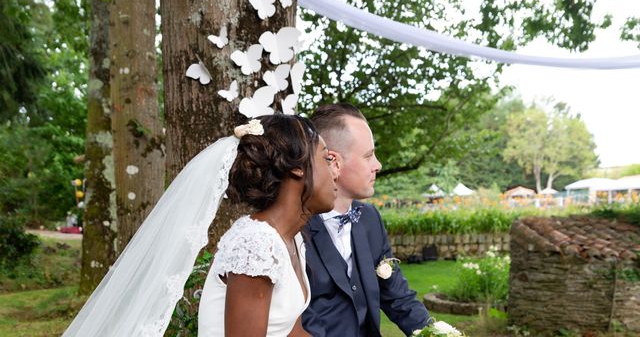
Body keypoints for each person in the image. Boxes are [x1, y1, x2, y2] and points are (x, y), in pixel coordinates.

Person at [63, 114, 337, 337]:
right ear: (297, 167)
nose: (336, 171)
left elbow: (292, 331)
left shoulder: (291, 240)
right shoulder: (256, 244)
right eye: (327, 158)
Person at [302, 103, 432, 337]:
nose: (378, 165)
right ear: (332, 161)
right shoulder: (295, 227)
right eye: (369, 155)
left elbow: (398, 297)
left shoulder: (369, 219)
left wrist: (436, 334)